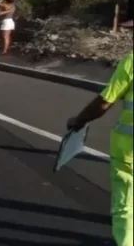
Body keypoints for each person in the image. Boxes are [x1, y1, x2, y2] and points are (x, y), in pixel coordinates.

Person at [66, 21, 132, 246]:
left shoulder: (131, 62)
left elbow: (105, 102)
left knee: (126, 205)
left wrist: (79, 120)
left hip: (129, 150)